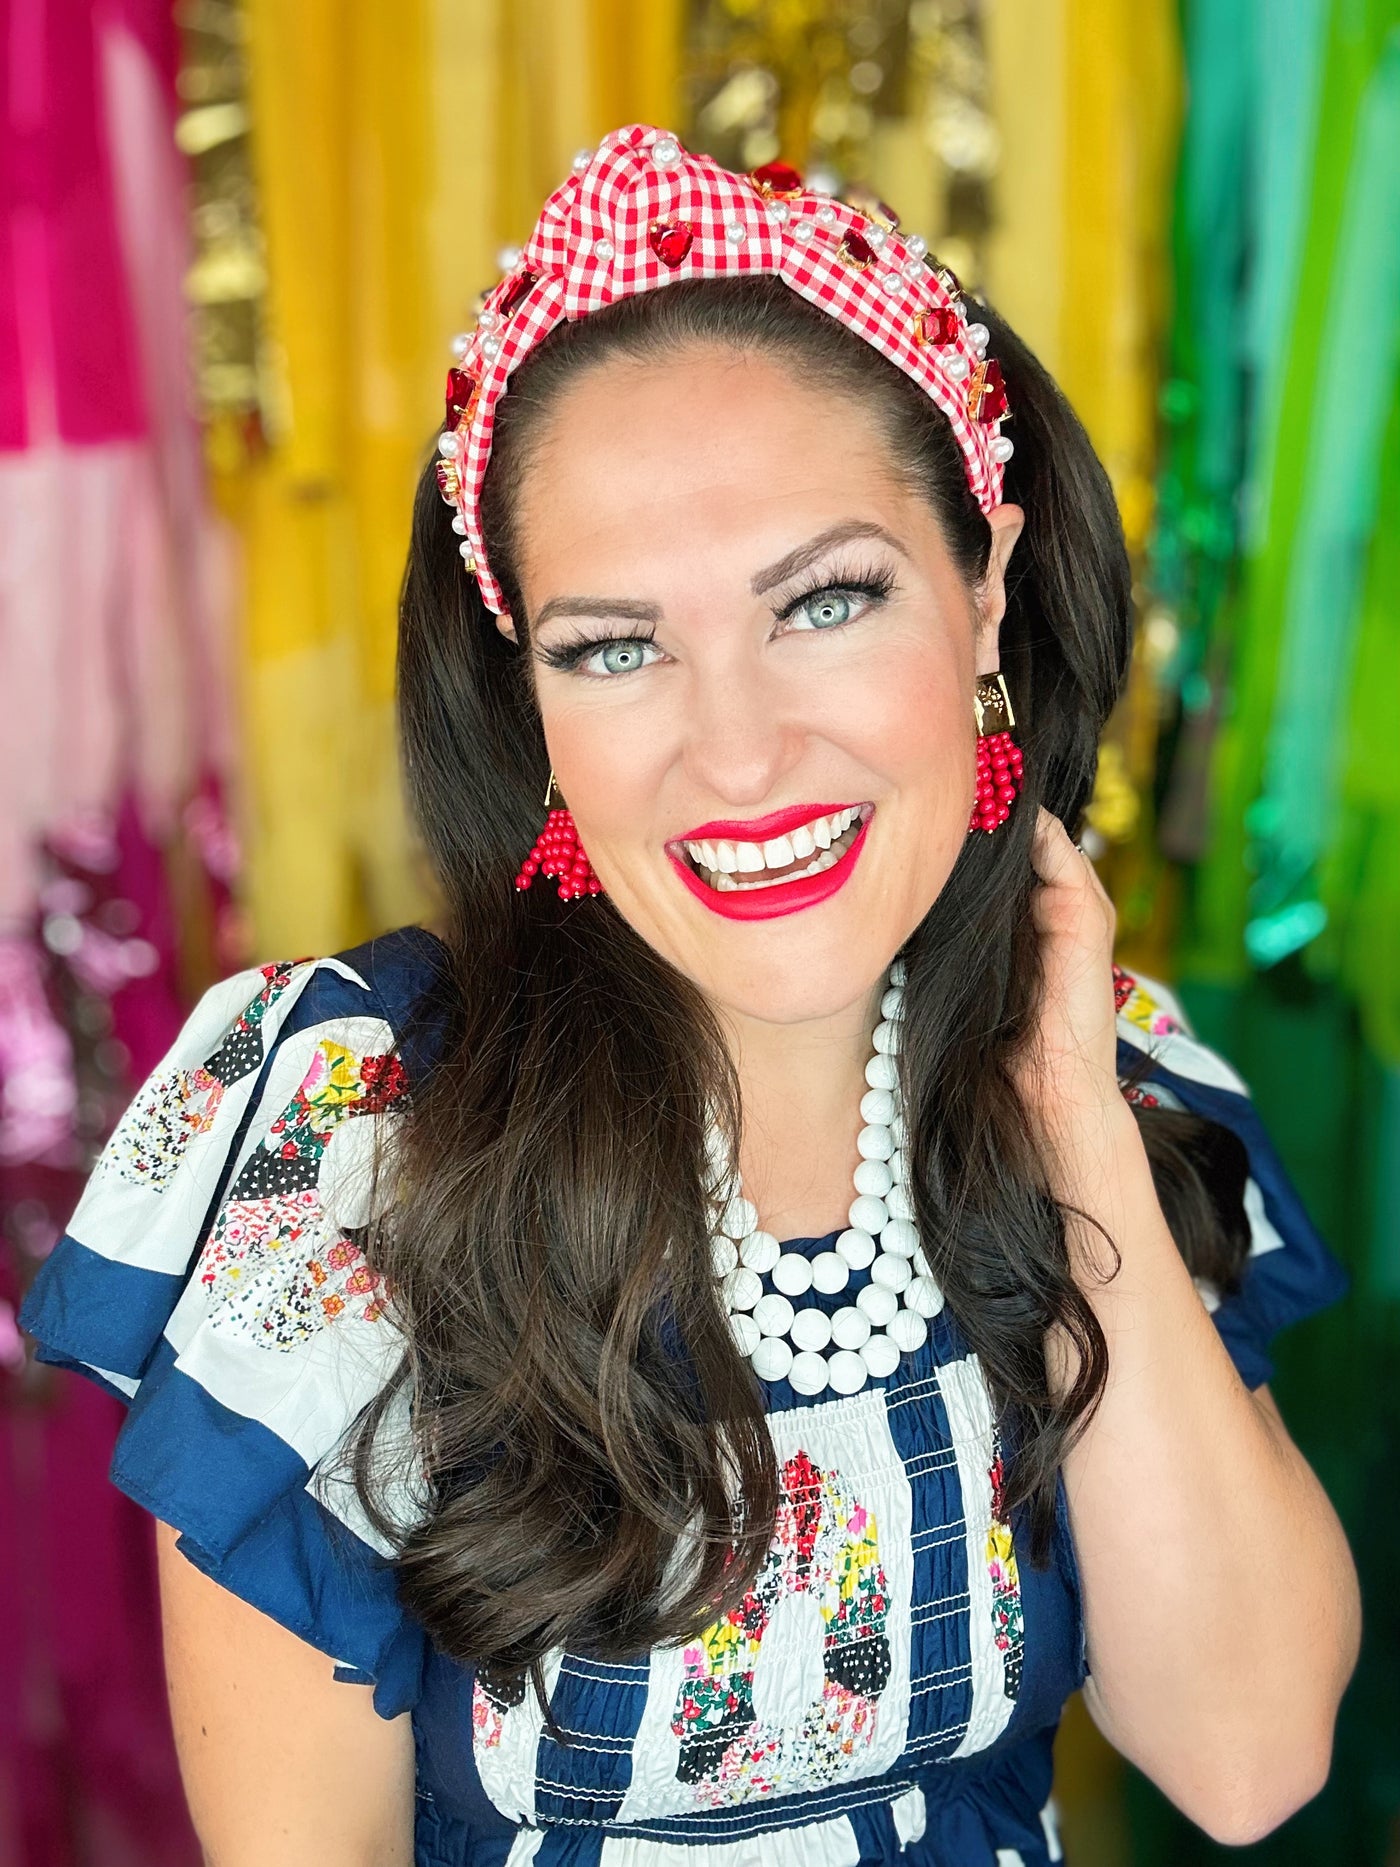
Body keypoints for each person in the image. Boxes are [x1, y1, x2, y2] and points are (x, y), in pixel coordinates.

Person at [21, 126, 1359, 1867]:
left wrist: (1069, 1121)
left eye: (824, 600)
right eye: (616, 645)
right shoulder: (350, 1136)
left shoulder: (1098, 1077)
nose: (737, 756)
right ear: (536, 710)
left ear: (985, 595)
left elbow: (1248, 1756)